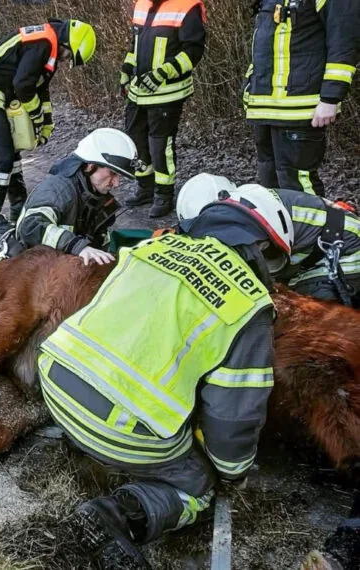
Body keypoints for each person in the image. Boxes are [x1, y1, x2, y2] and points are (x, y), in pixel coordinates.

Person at [38, 188, 292, 568]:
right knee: (200, 488)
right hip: (118, 426)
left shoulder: (151, 250)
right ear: (263, 249)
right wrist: (230, 472)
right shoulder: (249, 304)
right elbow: (232, 414)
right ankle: (120, 514)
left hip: (55, 384)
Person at [0, 19, 97, 233]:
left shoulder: (49, 43)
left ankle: (18, 206)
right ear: (67, 43)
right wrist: (36, 116)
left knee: (12, 151)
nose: (66, 61)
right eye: (69, 55)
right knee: (2, 157)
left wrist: (47, 122)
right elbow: (23, 85)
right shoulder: (43, 42)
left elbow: (41, 88)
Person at [178, 173, 360, 306]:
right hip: (321, 244)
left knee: (299, 307)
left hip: (348, 248)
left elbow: (266, 275)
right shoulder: (251, 205)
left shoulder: (255, 220)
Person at [244, 0, 360, 197]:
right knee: (270, 186)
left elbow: (344, 44)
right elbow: (263, 47)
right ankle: (280, 228)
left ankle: (316, 228)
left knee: (299, 188)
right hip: (263, 107)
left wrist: (330, 98)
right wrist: (249, 88)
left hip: (299, 107)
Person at [0, 128, 138, 266]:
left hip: (56, 272)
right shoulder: (58, 190)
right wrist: (78, 247)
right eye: (113, 173)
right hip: (25, 272)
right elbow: (31, 227)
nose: (116, 183)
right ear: (90, 165)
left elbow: (99, 245)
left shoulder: (97, 199)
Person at [121, 0, 207, 218]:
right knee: (135, 138)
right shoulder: (141, 4)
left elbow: (193, 51)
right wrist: (126, 69)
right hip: (138, 89)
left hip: (168, 91)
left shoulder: (187, 6)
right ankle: (145, 187)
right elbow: (136, 44)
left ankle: (164, 195)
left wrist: (164, 72)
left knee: (160, 145)